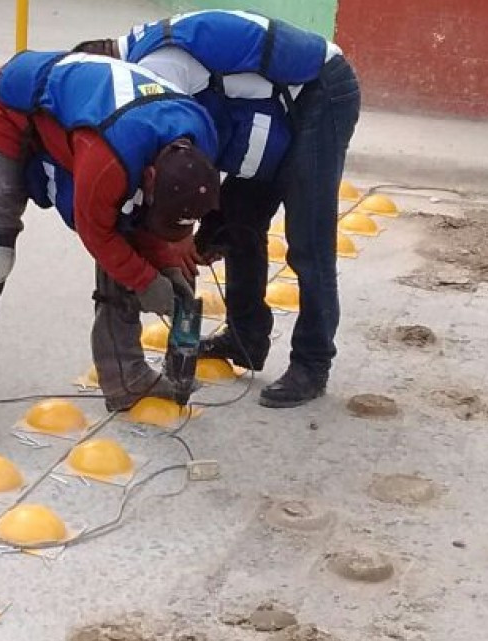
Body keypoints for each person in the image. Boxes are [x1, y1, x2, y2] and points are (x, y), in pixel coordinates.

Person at [75, 10, 361, 409]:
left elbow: (182, 163)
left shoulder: (158, 68)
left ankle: (312, 363)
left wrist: (181, 233)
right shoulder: (145, 50)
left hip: (322, 92)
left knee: (308, 241)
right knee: (238, 222)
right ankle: (246, 338)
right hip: (278, 108)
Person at [0, 50, 221, 445]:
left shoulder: (201, 143)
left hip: (82, 126)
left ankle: (127, 379)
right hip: (9, 114)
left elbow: (146, 226)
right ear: (150, 176)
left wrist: (166, 266)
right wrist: (146, 280)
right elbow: (97, 235)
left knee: (132, 233)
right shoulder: (111, 158)